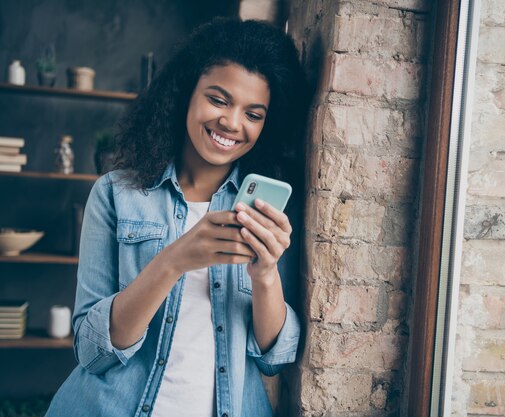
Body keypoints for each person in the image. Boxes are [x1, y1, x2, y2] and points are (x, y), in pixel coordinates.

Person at [45, 17, 309, 417]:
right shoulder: (115, 194)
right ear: (187, 92)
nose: (232, 123)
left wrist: (265, 275)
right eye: (218, 100)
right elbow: (92, 350)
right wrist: (173, 261)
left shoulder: (268, 210)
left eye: (253, 114)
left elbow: (275, 358)